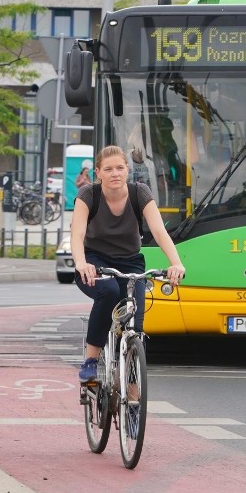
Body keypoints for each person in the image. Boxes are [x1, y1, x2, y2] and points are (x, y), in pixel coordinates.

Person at [72, 145, 185, 382]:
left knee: (136, 320)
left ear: (127, 170)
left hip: (130, 262)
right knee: (110, 291)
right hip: (95, 261)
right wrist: (82, 263)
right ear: (98, 172)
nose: (115, 173)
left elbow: (158, 230)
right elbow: (77, 234)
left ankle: (132, 392)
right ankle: (91, 360)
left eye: (120, 168)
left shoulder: (139, 192)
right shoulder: (88, 195)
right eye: (108, 169)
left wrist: (176, 263)